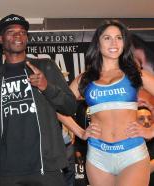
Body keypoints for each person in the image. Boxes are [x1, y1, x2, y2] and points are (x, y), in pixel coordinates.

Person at [0, 14, 77, 186]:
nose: (17, 35)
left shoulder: (45, 66)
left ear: (27, 37)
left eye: (22, 32)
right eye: (11, 32)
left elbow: (70, 107)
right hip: (7, 172)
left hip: (46, 168)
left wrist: (46, 87)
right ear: (1, 39)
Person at [59, 20, 154, 186]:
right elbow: (58, 107)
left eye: (119, 37)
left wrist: (151, 131)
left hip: (132, 154)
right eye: (107, 38)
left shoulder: (136, 74)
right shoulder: (85, 79)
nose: (114, 43)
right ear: (98, 43)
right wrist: (80, 132)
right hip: (98, 157)